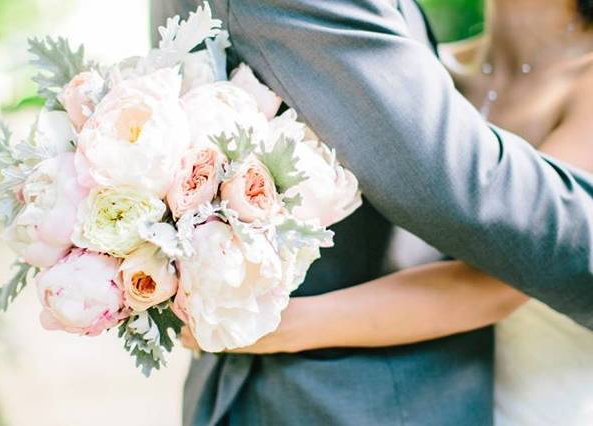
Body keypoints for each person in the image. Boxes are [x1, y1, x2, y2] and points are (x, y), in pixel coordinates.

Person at [152, 0, 593, 425]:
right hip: (407, 380)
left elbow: (501, 279)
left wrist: (278, 326)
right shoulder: (428, 63)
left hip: (518, 394)